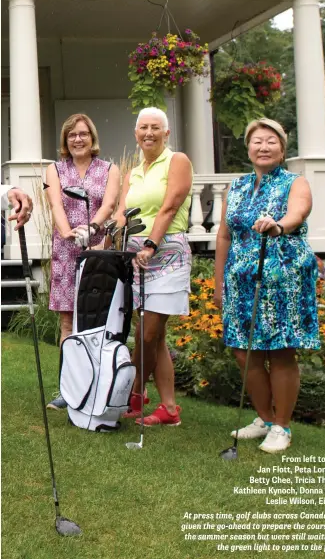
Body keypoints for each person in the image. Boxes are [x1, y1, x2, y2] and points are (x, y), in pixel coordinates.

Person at [214, 118, 319, 454]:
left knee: (280, 350)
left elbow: (298, 213)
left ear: (282, 148)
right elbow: (224, 235)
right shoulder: (237, 186)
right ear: (248, 148)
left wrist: (278, 226)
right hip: (240, 281)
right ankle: (264, 418)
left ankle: (282, 427)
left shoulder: (295, 182)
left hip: (283, 281)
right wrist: (219, 283)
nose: (263, 146)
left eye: (271, 141)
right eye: (257, 141)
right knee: (244, 352)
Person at [113, 107, 192, 427]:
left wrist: (151, 244)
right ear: (136, 134)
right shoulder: (133, 173)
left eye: (155, 128)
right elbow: (123, 213)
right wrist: (102, 236)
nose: (149, 133)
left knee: (148, 333)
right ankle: (169, 409)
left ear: (166, 133)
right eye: (143, 128)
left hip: (167, 253)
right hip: (136, 258)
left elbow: (170, 206)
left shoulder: (178, 161)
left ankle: (135, 392)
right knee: (153, 336)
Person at [45, 113, 119, 410]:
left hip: (98, 250)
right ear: (65, 140)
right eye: (72, 134)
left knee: (96, 320)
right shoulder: (54, 170)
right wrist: (67, 233)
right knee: (67, 322)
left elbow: (110, 203)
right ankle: (68, 388)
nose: (78, 139)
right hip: (65, 253)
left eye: (83, 134)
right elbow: (54, 203)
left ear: (92, 138)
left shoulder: (110, 169)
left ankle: (97, 387)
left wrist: (90, 230)